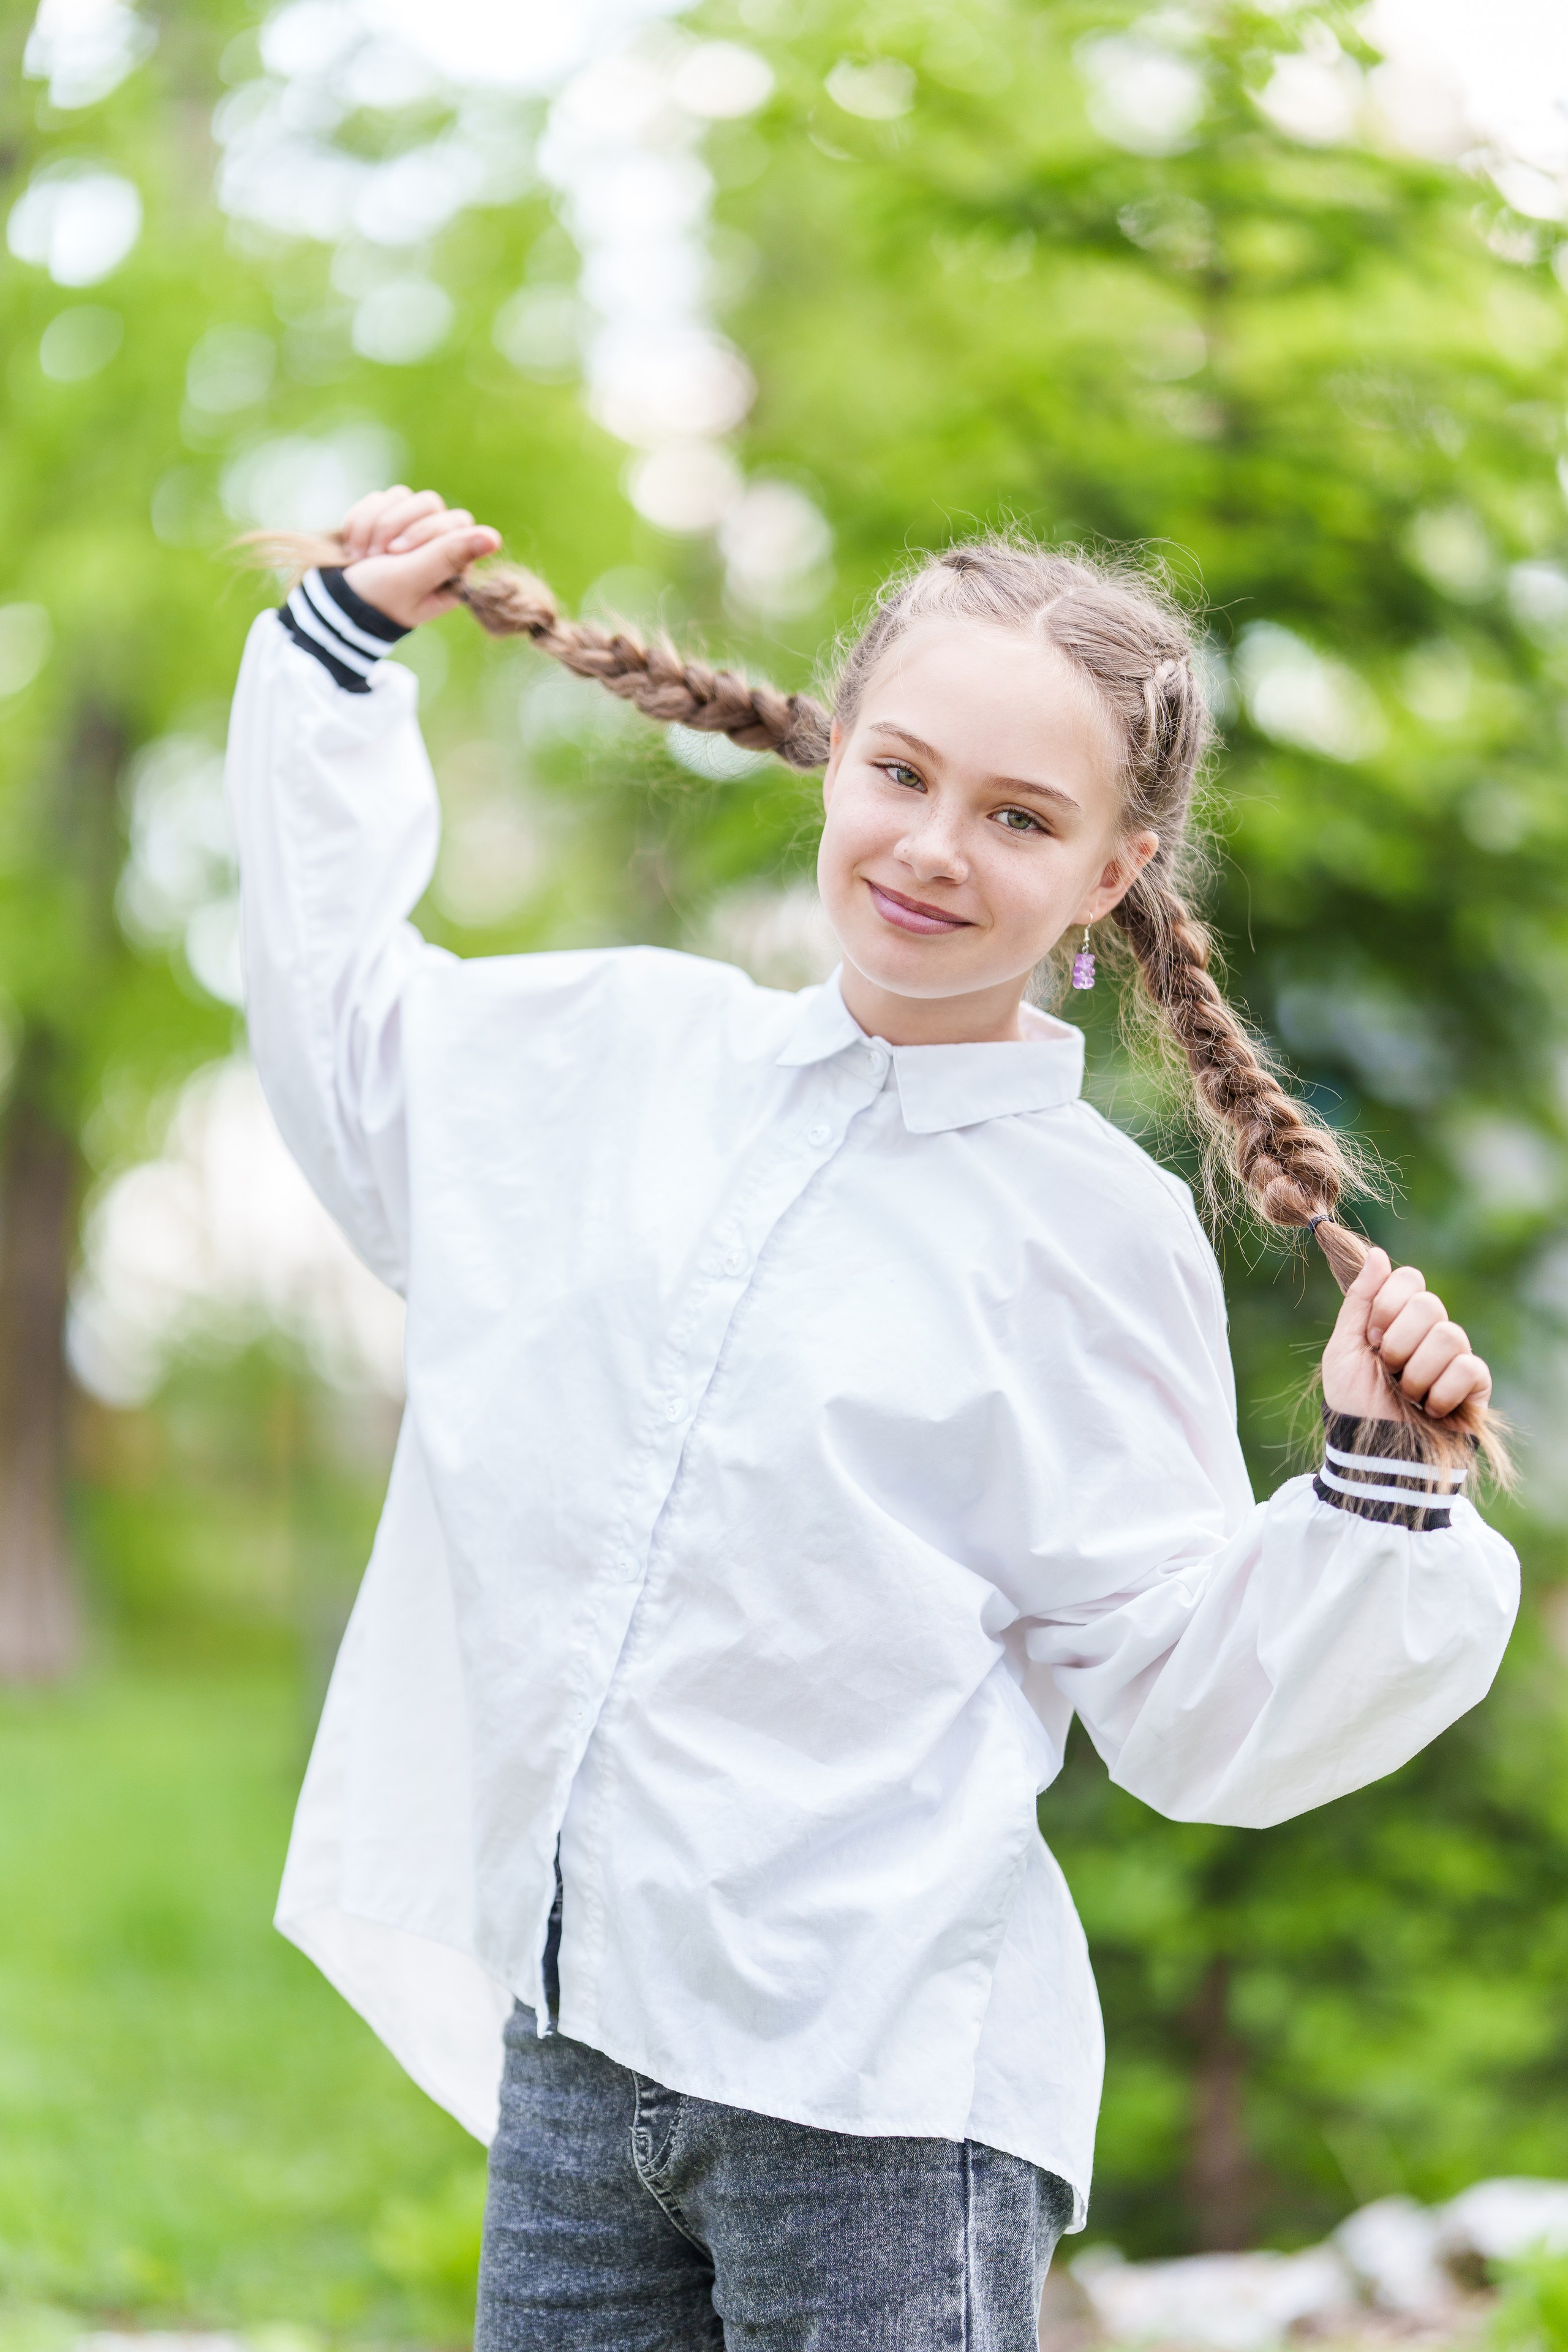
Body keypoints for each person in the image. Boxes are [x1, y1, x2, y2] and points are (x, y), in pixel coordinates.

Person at [227, 486, 1520, 2352]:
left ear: (1109, 874)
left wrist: (1373, 1487)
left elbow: (1172, 1691)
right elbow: (356, 1053)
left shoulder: (1092, 1237)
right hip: (582, 2047)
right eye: (901, 774)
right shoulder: (626, 1069)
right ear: (834, 758)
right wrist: (340, 663)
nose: (934, 847)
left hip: (882, 2111)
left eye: (1017, 816)